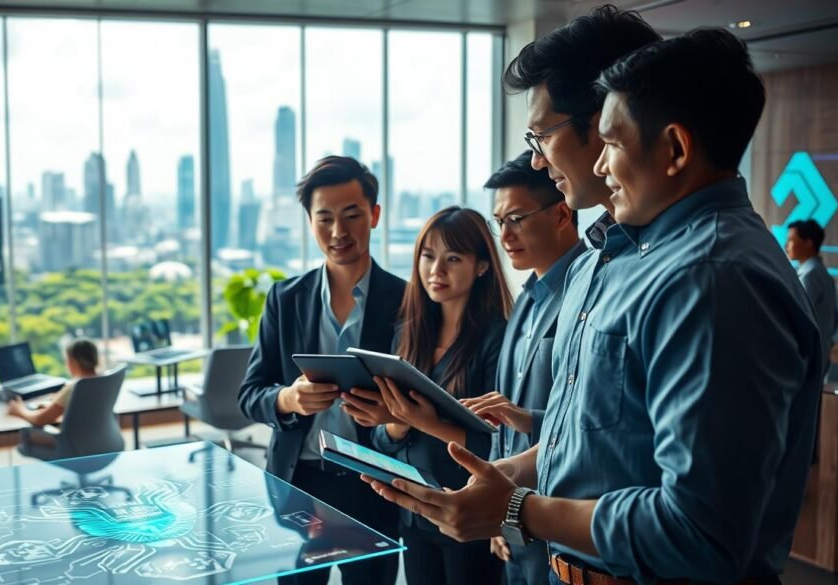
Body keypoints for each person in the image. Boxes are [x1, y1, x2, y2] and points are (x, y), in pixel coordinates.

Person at [365, 27, 823, 585]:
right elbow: (597, 438)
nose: (602, 167)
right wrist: (500, 479)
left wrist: (515, 510)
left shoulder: (712, 278)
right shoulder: (606, 257)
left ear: (675, 149)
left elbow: (701, 532)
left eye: (611, 142)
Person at [238, 155, 405, 585]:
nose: (338, 232)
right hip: (299, 484)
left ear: (375, 214)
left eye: (351, 215)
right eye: (324, 218)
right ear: (309, 221)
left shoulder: (407, 302)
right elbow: (250, 393)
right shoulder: (284, 299)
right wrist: (288, 399)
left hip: (373, 486)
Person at [339, 206, 509, 585]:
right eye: (428, 257)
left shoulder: (497, 339)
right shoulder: (408, 332)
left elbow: (500, 445)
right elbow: (386, 439)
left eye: (453, 258)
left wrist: (425, 422)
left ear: (481, 266)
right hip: (415, 513)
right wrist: (397, 426)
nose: (437, 271)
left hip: (467, 514)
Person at [461, 151, 584, 585]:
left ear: (561, 215)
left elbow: (586, 422)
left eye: (516, 218)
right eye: (500, 222)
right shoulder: (526, 299)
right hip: (512, 513)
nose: (505, 235)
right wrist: (497, 504)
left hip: (561, 519)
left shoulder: (588, 294)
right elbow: (502, 416)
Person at [786, 219, 838, 374]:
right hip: (820, 355)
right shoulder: (824, 275)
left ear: (808, 243)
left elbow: (800, 318)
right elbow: (835, 320)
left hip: (805, 356)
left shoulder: (809, 276)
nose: (787, 245)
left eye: (791, 240)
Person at [6, 338, 99, 426]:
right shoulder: (105, 381)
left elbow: (39, 420)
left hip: (70, 440)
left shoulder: (74, 388)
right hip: (98, 437)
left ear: (74, 361)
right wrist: (53, 407)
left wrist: (19, 411)